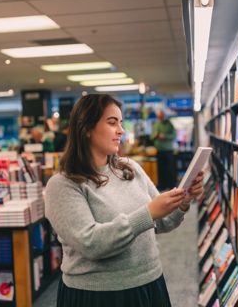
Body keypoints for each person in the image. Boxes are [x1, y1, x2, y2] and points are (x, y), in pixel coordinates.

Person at [45, 94, 204, 307]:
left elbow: (162, 222)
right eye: (112, 123)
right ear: (87, 129)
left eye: (121, 122)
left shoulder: (130, 168)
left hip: (149, 283)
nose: (121, 130)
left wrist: (184, 200)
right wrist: (148, 213)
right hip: (97, 295)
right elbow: (91, 243)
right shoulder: (63, 184)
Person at [152, 110, 177, 191]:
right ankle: (162, 186)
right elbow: (151, 137)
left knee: (170, 169)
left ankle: (171, 186)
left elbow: (174, 135)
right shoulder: (156, 124)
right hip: (159, 151)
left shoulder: (169, 124)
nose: (160, 117)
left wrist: (165, 136)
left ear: (164, 115)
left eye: (161, 116)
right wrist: (155, 136)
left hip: (168, 151)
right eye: (159, 116)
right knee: (160, 170)